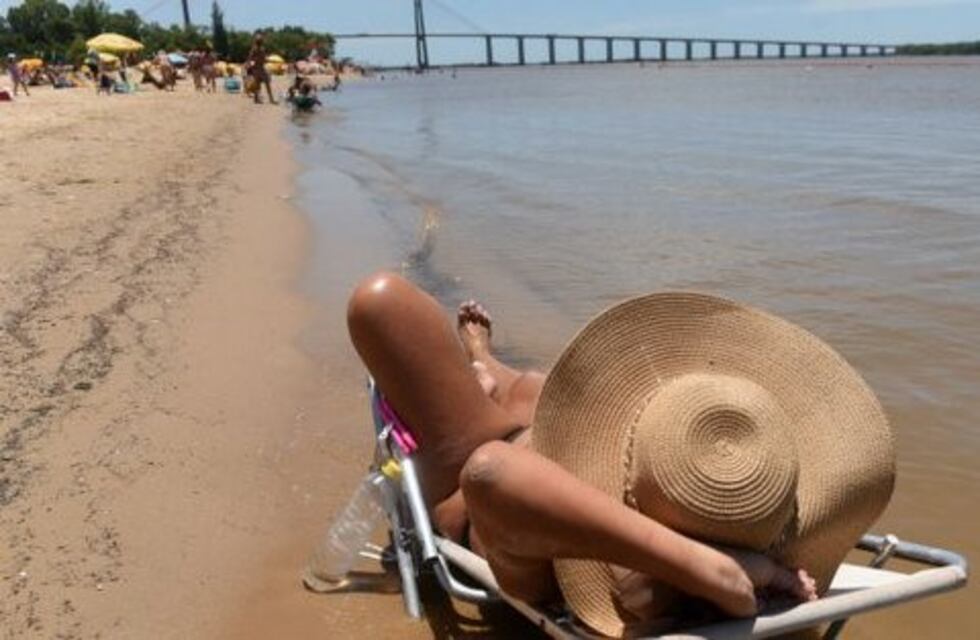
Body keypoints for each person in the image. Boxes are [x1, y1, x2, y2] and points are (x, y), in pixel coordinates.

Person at [345, 272, 895, 636]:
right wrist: (747, 560)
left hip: (480, 481)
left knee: (382, 301)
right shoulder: (749, 507)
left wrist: (715, 569)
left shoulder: (625, 587)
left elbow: (492, 472)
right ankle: (484, 365)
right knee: (534, 388)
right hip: (563, 452)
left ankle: (481, 372)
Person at [245, 33, 277, 105]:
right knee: (267, 83)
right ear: (260, 41)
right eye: (261, 40)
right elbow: (261, 59)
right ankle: (271, 99)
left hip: (256, 69)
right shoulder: (260, 49)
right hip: (260, 69)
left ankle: (256, 99)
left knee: (257, 84)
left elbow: (250, 58)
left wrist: (248, 65)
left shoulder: (254, 49)